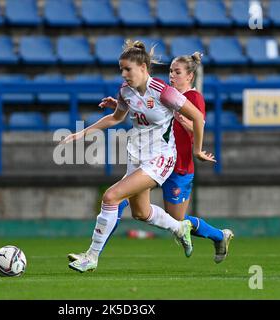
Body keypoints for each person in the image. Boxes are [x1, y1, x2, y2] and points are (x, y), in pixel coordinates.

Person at [60, 40, 216, 273]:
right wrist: (82, 133)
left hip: (161, 158)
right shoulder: (125, 91)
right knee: (141, 213)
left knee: (111, 196)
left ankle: (91, 257)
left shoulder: (164, 91)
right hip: (137, 156)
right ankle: (178, 227)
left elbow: (196, 117)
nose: (123, 74)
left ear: (143, 68)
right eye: (121, 69)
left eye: (127, 69)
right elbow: (116, 117)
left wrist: (197, 150)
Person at [94, 52, 234, 263]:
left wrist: (183, 122)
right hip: (153, 161)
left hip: (179, 167)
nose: (172, 76)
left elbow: (198, 126)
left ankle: (219, 235)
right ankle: (93, 254)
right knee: (117, 199)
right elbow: (145, 110)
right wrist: (120, 105)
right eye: (170, 71)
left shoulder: (193, 98)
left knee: (177, 219)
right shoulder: (163, 95)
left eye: (177, 72)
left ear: (190, 77)